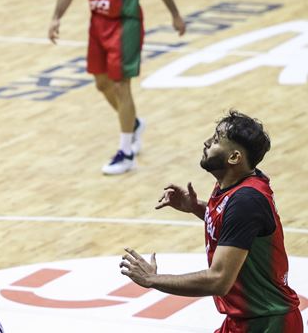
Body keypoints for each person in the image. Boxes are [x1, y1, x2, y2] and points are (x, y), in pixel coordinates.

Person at [120, 110, 303, 332]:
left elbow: (219, 280)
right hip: (245, 321)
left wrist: (153, 279)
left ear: (234, 157)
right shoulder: (234, 184)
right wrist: (196, 208)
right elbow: (236, 225)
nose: (207, 143)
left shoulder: (246, 201)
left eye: (216, 140)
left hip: (268, 324)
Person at [47, 0, 186, 175]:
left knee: (121, 85)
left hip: (125, 23)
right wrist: (56, 17)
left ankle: (126, 152)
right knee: (101, 84)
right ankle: (133, 124)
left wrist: (174, 14)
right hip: (97, 23)